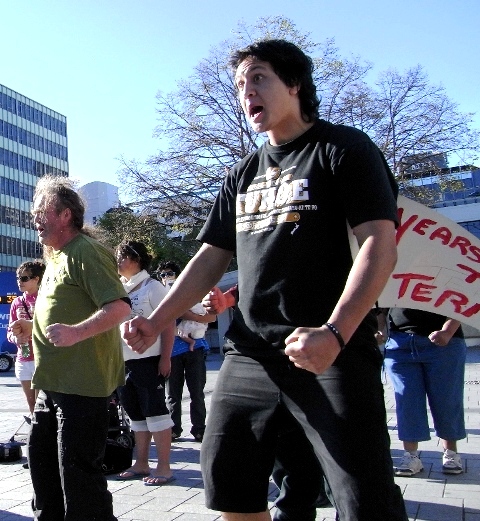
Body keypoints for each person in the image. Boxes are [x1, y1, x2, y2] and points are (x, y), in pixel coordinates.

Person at [122, 39, 407, 521]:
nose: (246, 92)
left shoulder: (344, 149)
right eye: (240, 85)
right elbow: (210, 258)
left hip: (331, 351)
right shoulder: (241, 174)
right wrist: (156, 320)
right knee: (228, 482)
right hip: (251, 353)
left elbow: (380, 245)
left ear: (294, 84)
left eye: (258, 78)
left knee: (365, 501)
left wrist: (335, 332)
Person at [10, 175, 131, 521]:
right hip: (52, 384)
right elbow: (64, 310)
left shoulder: (86, 251)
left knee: (80, 481)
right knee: (43, 468)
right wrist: (30, 328)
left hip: (82, 388)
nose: (33, 218)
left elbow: (120, 307)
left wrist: (77, 333)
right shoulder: (55, 257)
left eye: (40, 211)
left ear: (65, 214)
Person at [115, 241, 176, 485]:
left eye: (122, 257)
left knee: (156, 413)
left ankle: (164, 467)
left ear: (137, 259)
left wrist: (166, 357)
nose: (118, 262)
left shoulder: (153, 287)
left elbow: (169, 323)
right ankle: (141, 463)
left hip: (149, 360)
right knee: (135, 415)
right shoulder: (118, 288)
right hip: (124, 362)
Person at [383, 308, 467, 477]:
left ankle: (451, 453)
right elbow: (380, 301)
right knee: (407, 401)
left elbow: (465, 297)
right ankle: (411, 456)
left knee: (447, 399)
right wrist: (380, 328)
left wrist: (448, 330)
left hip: (445, 341)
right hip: (400, 342)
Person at [158, 261, 216, 443]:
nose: (166, 278)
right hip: (171, 351)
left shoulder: (191, 291)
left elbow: (211, 316)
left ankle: (199, 429)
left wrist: (187, 314)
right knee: (172, 395)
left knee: (197, 392)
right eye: (162, 275)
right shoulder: (158, 294)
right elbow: (164, 318)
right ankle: (174, 430)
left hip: (195, 348)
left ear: (178, 275)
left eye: (169, 274)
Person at [7, 260, 46, 414]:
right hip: (23, 358)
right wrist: (15, 338)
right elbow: (9, 332)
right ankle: (35, 428)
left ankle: (43, 429)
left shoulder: (45, 299)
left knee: (41, 405)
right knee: (32, 405)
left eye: (24, 278)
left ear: (36, 279)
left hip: (42, 357)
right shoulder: (17, 302)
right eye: (18, 278)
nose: (20, 282)